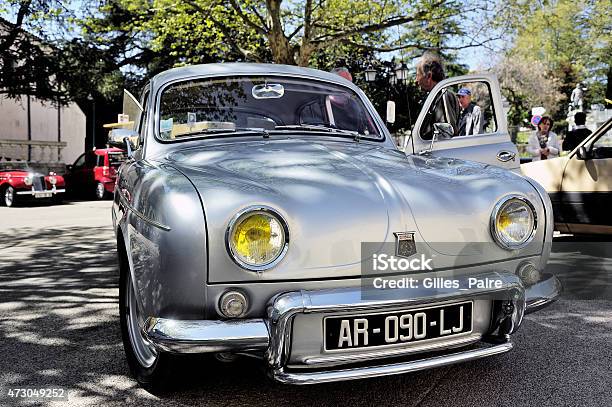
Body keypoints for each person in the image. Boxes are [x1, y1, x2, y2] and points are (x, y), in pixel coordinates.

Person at [415, 53, 460, 139]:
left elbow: (445, 134)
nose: (416, 80)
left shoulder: (443, 95)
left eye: (417, 75)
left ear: (429, 76)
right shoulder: (436, 95)